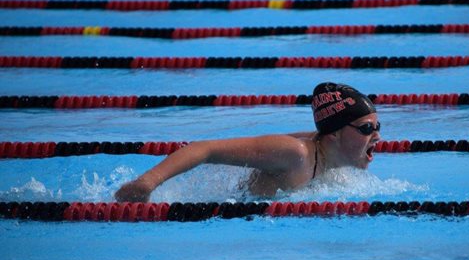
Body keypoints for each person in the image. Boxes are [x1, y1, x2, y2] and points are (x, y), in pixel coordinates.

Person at [114, 82, 381, 201]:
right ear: (334, 134)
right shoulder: (295, 153)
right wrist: (147, 183)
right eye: (367, 128)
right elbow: (204, 149)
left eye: (378, 126)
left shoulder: (330, 156)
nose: (377, 136)